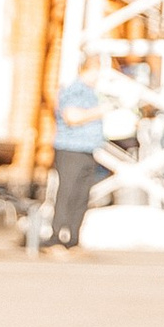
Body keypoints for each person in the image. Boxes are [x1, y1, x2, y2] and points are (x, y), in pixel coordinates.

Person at [46, 72, 106, 250]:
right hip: (71, 149)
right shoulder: (74, 91)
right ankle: (57, 236)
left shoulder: (91, 93)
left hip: (87, 149)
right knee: (67, 192)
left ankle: (73, 237)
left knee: (81, 195)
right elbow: (71, 117)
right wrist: (99, 111)